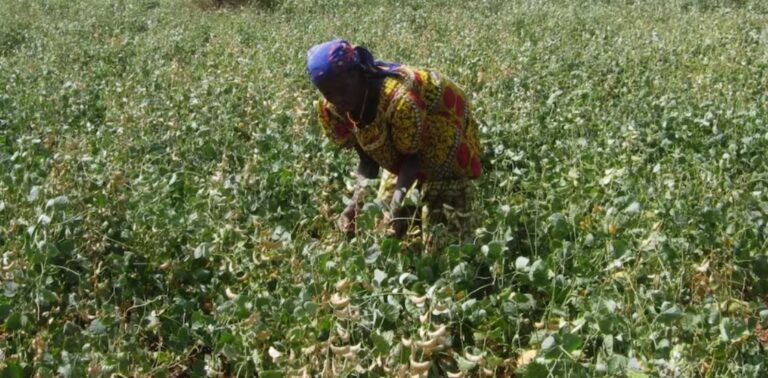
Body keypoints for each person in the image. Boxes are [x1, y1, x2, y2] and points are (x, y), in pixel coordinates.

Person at [306, 38, 482, 247]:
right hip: (406, 144)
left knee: (444, 242)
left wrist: (395, 206)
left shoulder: (400, 100)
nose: (338, 99)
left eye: (342, 89)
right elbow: (368, 158)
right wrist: (355, 204)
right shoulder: (333, 108)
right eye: (329, 93)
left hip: (442, 135)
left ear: (357, 75)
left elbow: (412, 158)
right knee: (387, 232)